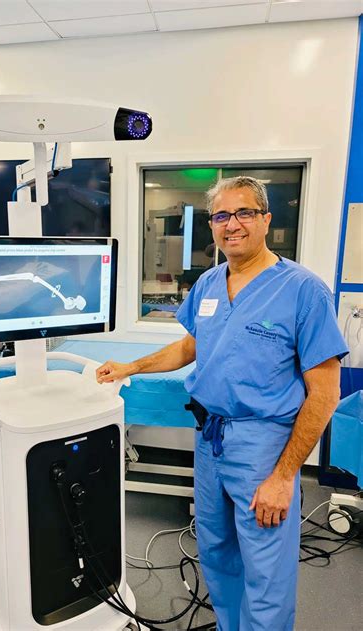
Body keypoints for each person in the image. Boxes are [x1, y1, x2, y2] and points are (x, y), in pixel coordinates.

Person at [96, 176, 348, 630]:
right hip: (210, 438)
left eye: (244, 212)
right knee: (216, 551)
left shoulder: (303, 291)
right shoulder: (210, 283)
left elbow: (326, 393)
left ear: (266, 219)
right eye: (221, 215)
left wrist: (283, 477)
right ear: (211, 224)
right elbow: (189, 347)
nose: (232, 224)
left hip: (263, 446)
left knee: (266, 568)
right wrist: (131, 366)